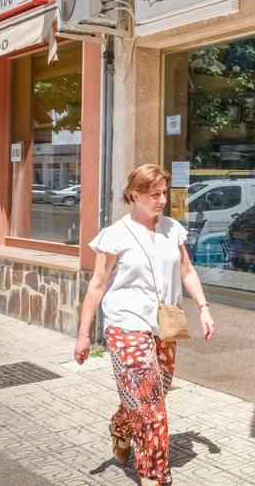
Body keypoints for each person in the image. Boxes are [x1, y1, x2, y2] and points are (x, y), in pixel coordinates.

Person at [74, 164, 215, 486]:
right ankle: (155, 475)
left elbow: (187, 271)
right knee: (149, 404)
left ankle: (121, 430)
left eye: (164, 192)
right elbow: (97, 285)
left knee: (155, 393)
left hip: (164, 322)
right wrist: (83, 336)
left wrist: (204, 309)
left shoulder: (172, 229)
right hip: (125, 324)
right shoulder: (115, 235)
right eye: (155, 194)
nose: (162, 199)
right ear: (135, 195)